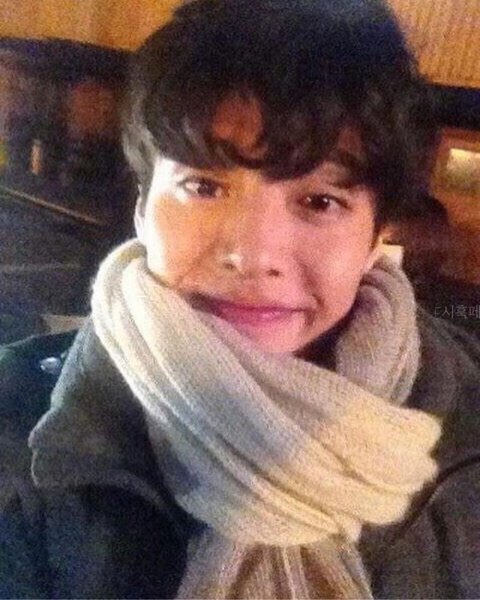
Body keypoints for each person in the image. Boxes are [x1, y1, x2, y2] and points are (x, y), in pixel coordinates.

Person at [1, 0, 480, 597]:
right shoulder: (17, 427)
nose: (252, 254)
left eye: (319, 201)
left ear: (377, 238)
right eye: (203, 186)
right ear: (142, 206)